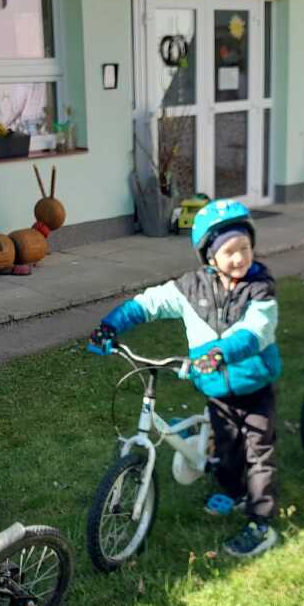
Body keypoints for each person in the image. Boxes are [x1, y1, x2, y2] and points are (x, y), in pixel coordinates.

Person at [90, 200, 282, 558]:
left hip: (254, 386)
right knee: (227, 445)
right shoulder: (191, 288)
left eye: (245, 248)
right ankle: (233, 490)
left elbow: (257, 330)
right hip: (216, 389)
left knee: (258, 454)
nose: (239, 258)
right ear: (209, 256)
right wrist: (111, 325)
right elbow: (149, 303)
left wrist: (221, 352)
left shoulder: (260, 289)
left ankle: (261, 522)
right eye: (229, 251)